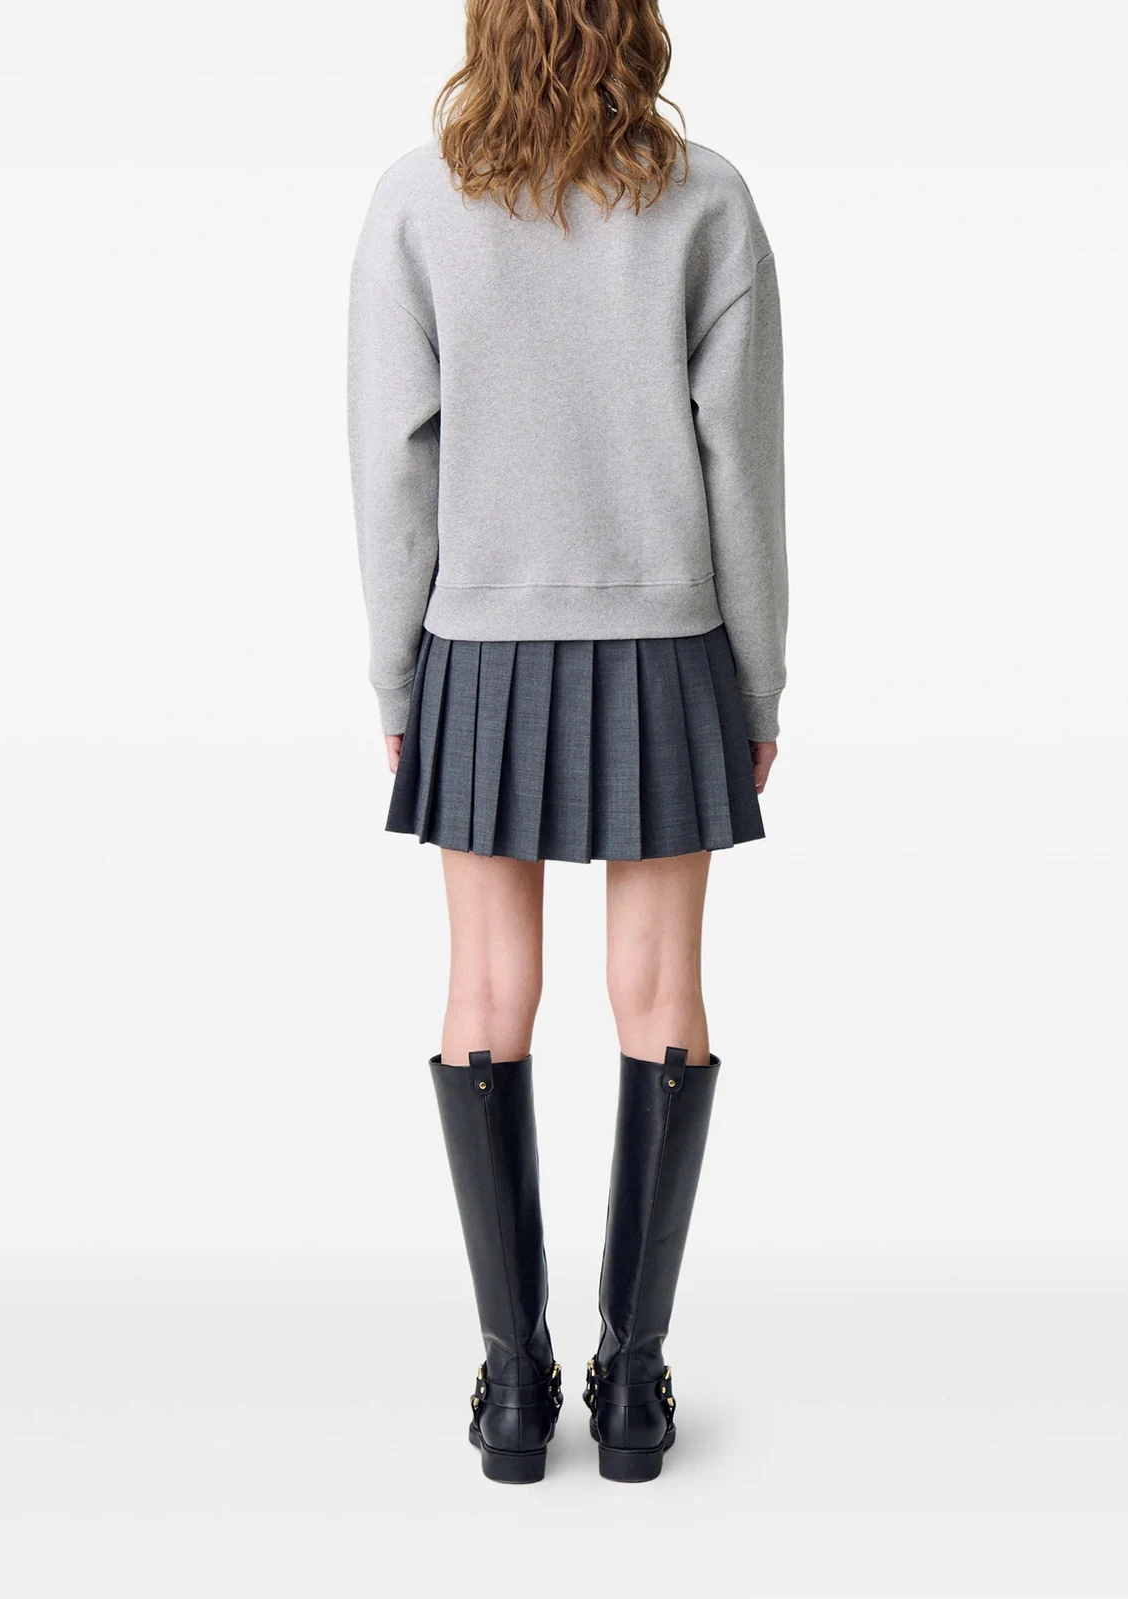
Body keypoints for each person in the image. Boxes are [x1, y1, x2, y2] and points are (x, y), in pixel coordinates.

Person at [347, 0, 786, 1484]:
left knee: (487, 990)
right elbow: (743, 465)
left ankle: (515, 1386)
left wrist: (398, 682)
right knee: (661, 991)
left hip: (481, 644)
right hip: (669, 642)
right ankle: (637, 1384)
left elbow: (393, 468)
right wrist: (758, 685)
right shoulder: (706, 200)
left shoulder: (417, 203)